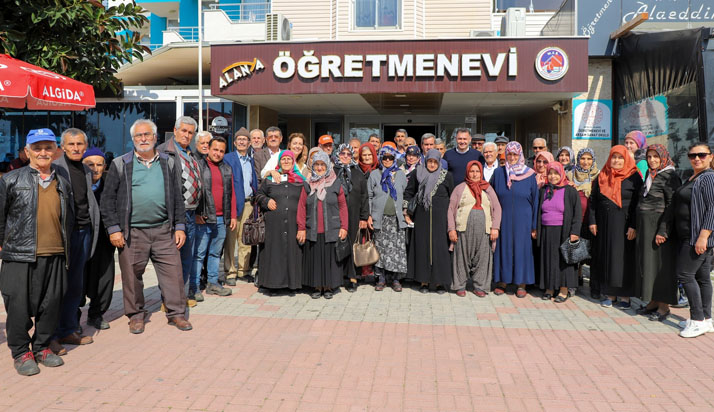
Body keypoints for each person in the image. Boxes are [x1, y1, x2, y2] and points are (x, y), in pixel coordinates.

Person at [101, 119, 192, 334]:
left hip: (164, 230)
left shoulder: (168, 162)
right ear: (133, 139)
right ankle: (136, 316)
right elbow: (107, 201)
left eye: (147, 135)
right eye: (138, 136)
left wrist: (180, 226)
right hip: (132, 232)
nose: (143, 139)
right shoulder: (120, 164)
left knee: (173, 273)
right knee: (132, 276)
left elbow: (178, 197)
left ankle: (177, 313)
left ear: (155, 137)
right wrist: (113, 229)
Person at [0, 129, 72, 376]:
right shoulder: (10, 180)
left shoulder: (62, 181)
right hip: (19, 255)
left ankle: (41, 347)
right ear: (27, 151)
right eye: (37, 147)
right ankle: (21, 353)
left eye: (48, 147)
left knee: (51, 304)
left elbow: (68, 218)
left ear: (56, 151)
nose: (43, 152)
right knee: (18, 306)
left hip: (55, 254)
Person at [49, 128, 99, 356]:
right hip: (62, 235)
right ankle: (49, 336)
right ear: (63, 146)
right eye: (71, 144)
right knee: (55, 286)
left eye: (80, 144)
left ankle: (68, 329)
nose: (76, 148)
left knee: (75, 286)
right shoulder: (54, 167)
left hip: (83, 232)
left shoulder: (87, 170)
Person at [589, 145, 642, 308]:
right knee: (608, 257)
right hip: (605, 224)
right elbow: (593, 201)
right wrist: (592, 221)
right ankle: (610, 295)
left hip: (626, 225)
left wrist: (634, 225)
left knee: (624, 258)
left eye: (620, 157)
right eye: (614, 157)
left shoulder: (634, 177)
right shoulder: (601, 176)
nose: (617, 160)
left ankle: (625, 296)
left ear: (626, 159)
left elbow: (638, 204)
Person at [157, 116, 202, 305]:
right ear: (175, 131)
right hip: (174, 215)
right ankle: (168, 301)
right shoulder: (163, 152)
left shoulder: (190, 153)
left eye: (190, 132)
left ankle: (180, 297)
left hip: (191, 214)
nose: (187, 135)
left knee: (186, 259)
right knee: (171, 261)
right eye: (183, 131)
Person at [634, 144, 680, 322]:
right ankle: (653, 301)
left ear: (663, 157)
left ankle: (664, 306)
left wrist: (663, 230)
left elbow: (671, 205)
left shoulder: (670, 176)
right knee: (649, 265)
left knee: (662, 267)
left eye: (656, 157)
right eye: (649, 156)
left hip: (660, 227)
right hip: (646, 227)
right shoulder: (651, 174)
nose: (652, 160)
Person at [673, 143, 714, 338]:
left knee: (685, 274)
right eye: (692, 155)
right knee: (702, 277)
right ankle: (706, 319)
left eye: (701, 155)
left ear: (710, 157)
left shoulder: (709, 178)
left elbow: (712, 209)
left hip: (696, 236)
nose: (697, 158)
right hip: (690, 235)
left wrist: (703, 236)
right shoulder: (695, 177)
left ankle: (697, 320)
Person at [297, 151, 348, 299]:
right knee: (316, 260)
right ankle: (317, 286)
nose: (319, 168)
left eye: (322, 165)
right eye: (317, 165)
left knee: (330, 260)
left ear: (328, 166)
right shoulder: (307, 183)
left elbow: (343, 206)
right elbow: (301, 207)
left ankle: (328, 287)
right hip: (312, 228)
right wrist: (301, 228)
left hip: (331, 228)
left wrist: (344, 227)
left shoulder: (335, 182)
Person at [490, 142, 538, 298]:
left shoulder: (530, 174)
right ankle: (502, 282)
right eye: (509, 154)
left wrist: (534, 225)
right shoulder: (498, 173)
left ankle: (521, 283)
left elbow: (536, 200)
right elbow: (490, 197)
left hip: (523, 219)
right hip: (503, 219)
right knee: (503, 248)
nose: (511, 157)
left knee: (522, 250)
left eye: (515, 154)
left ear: (520, 155)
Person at [404, 149, 454, 294]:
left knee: (439, 250)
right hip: (421, 217)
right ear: (425, 161)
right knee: (422, 248)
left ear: (439, 162)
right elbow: (409, 193)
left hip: (440, 219)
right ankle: (423, 281)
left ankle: (439, 282)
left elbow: (452, 197)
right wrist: (406, 212)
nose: (432, 165)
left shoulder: (447, 176)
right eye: (429, 161)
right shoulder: (417, 173)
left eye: (435, 162)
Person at [448, 160, 501, 297]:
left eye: (477, 171)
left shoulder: (488, 188)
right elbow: (451, 209)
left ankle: (480, 286)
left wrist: (495, 227)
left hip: (484, 230)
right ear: (467, 172)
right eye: (472, 171)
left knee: (483, 257)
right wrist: (451, 229)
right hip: (463, 229)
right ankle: (460, 285)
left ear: (481, 173)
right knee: (462, 256)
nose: (475, 174)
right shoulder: (460, 188)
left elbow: (497, 208)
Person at [193, 137, 238, 298]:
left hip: (221, 219)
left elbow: (231, 193)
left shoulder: (227, 168)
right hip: (204, 218)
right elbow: (195, 192)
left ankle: (213, 283)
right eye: (215, 150)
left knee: (215, 253)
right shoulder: (199, 166)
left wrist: (232, 216)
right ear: (208, 149)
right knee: (199, 254)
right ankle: (194, 286)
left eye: (221, 151)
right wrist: (197, 212)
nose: (218, 153)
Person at [256, 150, 305, 295]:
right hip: (274, 225)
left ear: (293, 162)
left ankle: (292, 284)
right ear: (279, 162)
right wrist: (266, 201)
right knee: (275, 253)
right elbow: (258, 195)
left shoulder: (300, 180)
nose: (286, 162)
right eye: (283, 159)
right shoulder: (271, 178)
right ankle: (273, 284)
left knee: (292, 252)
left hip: (293, 223)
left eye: (289, 159)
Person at [536, 162, 581, 303]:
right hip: (546, 230)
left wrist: (575, 232)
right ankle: (549, 288)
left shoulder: (570, 191)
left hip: (564, 230)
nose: (553, 176)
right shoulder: (544, 190)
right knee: (549, 259)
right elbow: (538, 211)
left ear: (561, 173)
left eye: (556, 173)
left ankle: (563, 290)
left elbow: (577, 213)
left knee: (564, 261)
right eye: (550, 173)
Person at [81, 148, 115, 330]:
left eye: (99, 164)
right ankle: (73, 318)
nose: (95, 168)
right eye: (90, 164)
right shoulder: (77, 185)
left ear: (105, 166)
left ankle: (96, 315)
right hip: (82, 240)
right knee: (79, 280)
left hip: (104, 240)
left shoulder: (110, 184)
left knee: (104, 278)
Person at [367, 146, 408, 291]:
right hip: (380, 218)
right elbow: (369, 196)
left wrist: (405, 212)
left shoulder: (401, 174)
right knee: (381, 249)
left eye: (391, 158)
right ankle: (381, 278)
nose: (388, 160)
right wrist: (369, 216)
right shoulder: (374, 175)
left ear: (395, 159)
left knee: (397, 250)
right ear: (380, 158)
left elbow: (405, 194)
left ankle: (396, 279)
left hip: (396, 219)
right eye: (385, 157)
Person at [332, 144, 369, 292]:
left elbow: (364, 196)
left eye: (348, 154)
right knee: (338, 244)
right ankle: (337, 276)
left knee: (353, 244)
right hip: (336, 214)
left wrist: (364, 217)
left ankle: (353, 277)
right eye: (342, 153)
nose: (346, 156)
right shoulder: (332, 172)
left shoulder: (358, 173)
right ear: (338, 154)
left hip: (354, 214)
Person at [222, 128, 255, 285]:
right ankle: (230, 272)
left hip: (249, 203)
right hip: (233, 204)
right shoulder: (228, 158)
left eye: (245, 139)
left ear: (249, 143)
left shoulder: (251, 160)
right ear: (234, 143)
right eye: (239, 139)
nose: (242, 141)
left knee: (245, 239)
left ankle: (244, 270)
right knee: (231, 240)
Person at [565, 148, 599, 292]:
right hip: (575, 220)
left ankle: (593, 283)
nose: (585, 162)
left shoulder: (598, 176)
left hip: (592, 221)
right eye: (582, 159)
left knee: (593, 252)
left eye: (589, 159)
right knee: (576, 250)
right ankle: (575, 278)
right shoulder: (570, 175)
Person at [357, 143, 379, 279]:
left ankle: (375, 272)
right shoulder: (356, 170)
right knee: (362, 242)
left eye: (369, 155)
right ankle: (361, 272)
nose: (366, 158)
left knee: (375, 243)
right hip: (362, 212)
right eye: (364, 155)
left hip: (376, 211)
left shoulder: (380, 170)